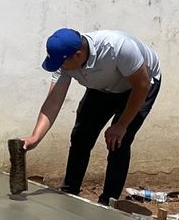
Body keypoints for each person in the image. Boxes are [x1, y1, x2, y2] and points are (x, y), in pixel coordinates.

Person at [23, 27, 162, 204]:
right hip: (104, 86)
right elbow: (53, 102)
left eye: (62, 63)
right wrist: (35, 137)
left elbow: (142, 85)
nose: (60, 67)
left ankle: (109, 201)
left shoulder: (118, 47)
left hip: (140, 85)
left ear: (79, 55)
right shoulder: (65, 61)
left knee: (118, 141)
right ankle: (70, 190)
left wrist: (121, 125)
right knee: (81, 135)